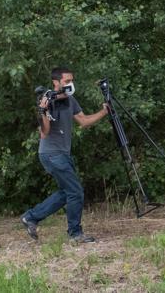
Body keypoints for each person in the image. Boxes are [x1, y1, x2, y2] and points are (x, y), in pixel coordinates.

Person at [20, 67, 110, 244]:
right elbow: (44, 132)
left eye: (71, 80)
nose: (70, 84)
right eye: (67, 81)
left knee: (66, 192)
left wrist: (104, 112)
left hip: (62, 153)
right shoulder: (47, 101)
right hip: (51, 154)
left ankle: (31, 217)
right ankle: (75, 234)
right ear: (56, 83)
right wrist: (42, 111)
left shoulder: (70, 100)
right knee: (76, 192)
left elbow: (83, 121)